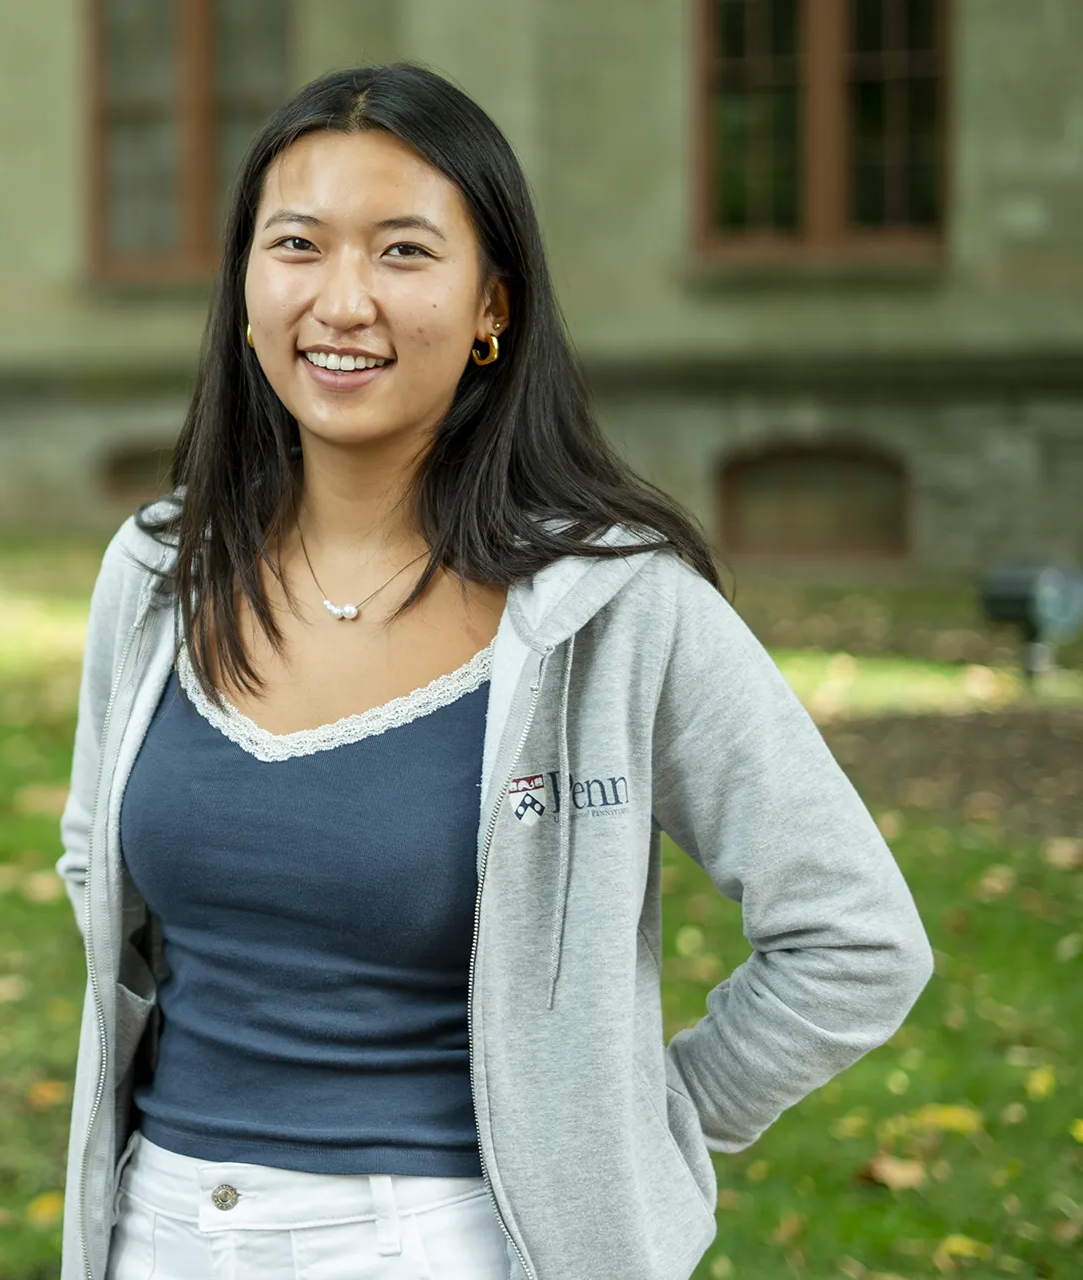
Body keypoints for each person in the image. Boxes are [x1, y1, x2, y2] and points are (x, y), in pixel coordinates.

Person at [53, 63, 933, 1280]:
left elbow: (856, 935)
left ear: (492, 306)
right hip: (157, 1224)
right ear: (247, 286)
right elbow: (96, 852)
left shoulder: (617, 606)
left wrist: (630, 1130)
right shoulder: (161, 569)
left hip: (449, 1240)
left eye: (405, 252)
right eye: (297, 244)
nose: (342, 300)